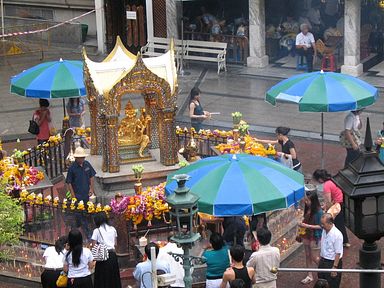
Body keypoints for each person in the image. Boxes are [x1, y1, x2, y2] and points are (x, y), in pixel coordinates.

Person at [313, 169, 350, 247]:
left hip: (336, 205)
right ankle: (344, 241)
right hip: (340, 202)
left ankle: (341, 241)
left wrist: (326, 210)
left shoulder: (326, 185)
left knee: (336, 223)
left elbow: (328, 201)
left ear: (320, 179)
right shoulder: (332, 180)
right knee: (340, 223)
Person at [66, 146, 96, 240]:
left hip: (86, 194)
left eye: (83, 157)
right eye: (80, 158)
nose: (82, 159)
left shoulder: (87, 164)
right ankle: (86, 233)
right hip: (78, 195)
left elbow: (91, 176)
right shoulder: (72, 168)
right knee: (80, 215)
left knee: (87, 214)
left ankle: (86, 230)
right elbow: (69, 183)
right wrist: (73, 196)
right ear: (76, 158)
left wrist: (91, 188)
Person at [298, 190, 323, 285]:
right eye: (306, 200)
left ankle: (324, 270)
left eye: (308, 201)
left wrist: (307, 226)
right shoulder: (308, 209)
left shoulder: (319, 212)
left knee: (314, 256)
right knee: (307, 255)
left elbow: (321, 226)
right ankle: (309, 275)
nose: (306, 202)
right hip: (306, 234)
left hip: (314, 236)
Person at [91, 212, 121, 288]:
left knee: (102, 277)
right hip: (112, 255)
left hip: (102, 255)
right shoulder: (113, 229)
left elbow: (94, 246)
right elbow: (115, 244)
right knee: (113, 276)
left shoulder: (96, 231)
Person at [318, 213, 343, 288]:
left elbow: (338, 253)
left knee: (332, 284)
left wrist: (334, 267)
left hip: (332, 263)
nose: (322, 226)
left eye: (323, 224)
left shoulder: (337, 235)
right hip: (323, 261)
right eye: (321, 223)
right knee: (321, 282)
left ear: (330, 223)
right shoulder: (324, 230)